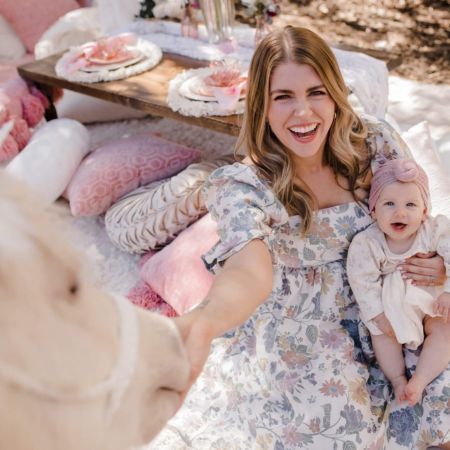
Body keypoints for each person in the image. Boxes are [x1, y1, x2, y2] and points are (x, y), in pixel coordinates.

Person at [151, 26, 449, 449]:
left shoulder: (376, 143)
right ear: (262, 105)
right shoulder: (242, 187)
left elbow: (417, 214)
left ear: (335, 94)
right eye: (283, 97)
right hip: (308, 332)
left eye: (316, 92)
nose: (303, 112)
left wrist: (436, 262)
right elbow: (248, 272)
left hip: (394, 306)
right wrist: (203, 321)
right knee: (341, 431)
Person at [347, 159, 450, 408]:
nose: (400, 212)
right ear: (374, 210)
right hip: (392, 308)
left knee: (445, 330)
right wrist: (378, 315)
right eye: (389, 204)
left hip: (432, 301)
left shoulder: (434, 230)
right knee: (381, 335)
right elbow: (362, 281)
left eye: (411, 205)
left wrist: (448, 292)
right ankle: (398, 379)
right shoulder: (367, 243)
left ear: (424, 211)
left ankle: (420, 380)